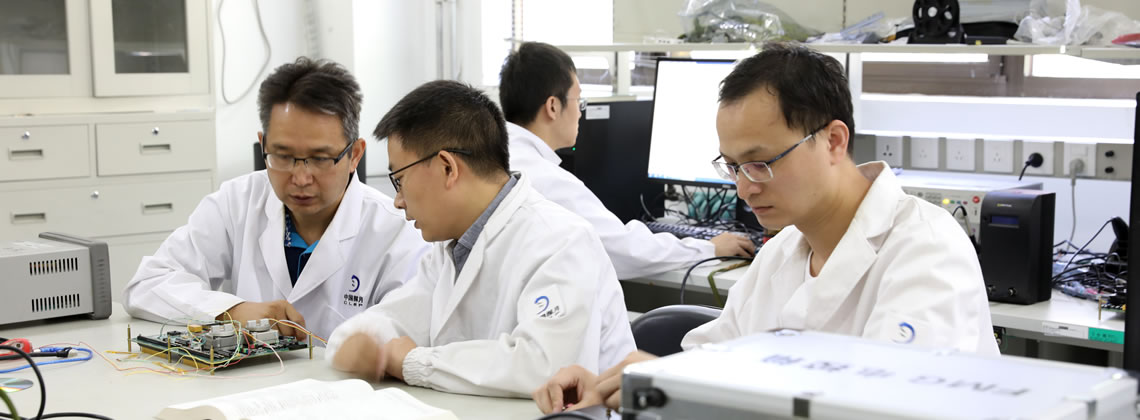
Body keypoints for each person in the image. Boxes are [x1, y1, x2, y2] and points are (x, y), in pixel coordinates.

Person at [533, 42, 999, 414]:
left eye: (760, 163)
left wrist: (685, 392)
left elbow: (886, 407)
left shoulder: (925, 250)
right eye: (733, 166)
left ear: (833, 141)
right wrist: (629, 381)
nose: (744, 188)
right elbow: (708, 366)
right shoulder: (783, 251)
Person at [326, 80, 635, 397]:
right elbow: (393, 318)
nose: (398, 201)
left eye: (400, 180)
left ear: (448, 168)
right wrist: (360, 343)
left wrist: (413, 362)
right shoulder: (450, 249)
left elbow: (544, 367)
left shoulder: (561, 241)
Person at [123, 57, 429, 341]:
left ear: (355, 155)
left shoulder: (397, 233)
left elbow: (410, 334)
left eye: (320, 158)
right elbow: (146, 285)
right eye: (282, 156)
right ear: (263, 145)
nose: (300, 178)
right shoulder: (237, 202)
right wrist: (232, 311)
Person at [498, 42, 754, 280]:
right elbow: (625, 251)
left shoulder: (500, 158)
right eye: (579, 100)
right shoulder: (547, 180)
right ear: (553, 106)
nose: (580, 112)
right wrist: (708, 248)